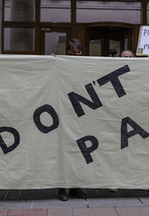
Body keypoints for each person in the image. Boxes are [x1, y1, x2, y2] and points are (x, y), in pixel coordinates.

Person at [57, 39, 88, 201]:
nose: (75, 55)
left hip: (81, 114)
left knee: (78, 151)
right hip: (64, 112)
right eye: (73, 52)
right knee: (63, 150)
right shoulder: (60, 64)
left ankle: (76, 187)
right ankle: (62, 188)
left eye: (78, 52)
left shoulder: (87, 65)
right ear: (68, 52)